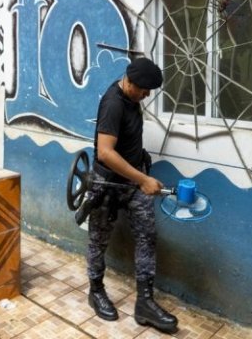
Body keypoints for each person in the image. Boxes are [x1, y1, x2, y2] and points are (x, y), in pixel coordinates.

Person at [85, 57, 178, 333]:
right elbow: (105, 152)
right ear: (131, 82)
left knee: (147, 233)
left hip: (132, 181)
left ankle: (145, 304)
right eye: (145, 90)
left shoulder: (132, 99)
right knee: (98, 240)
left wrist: (140, 172)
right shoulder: (113, 103)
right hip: (108, 185)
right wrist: (144, 179)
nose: (148, 95)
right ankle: (96, 290)